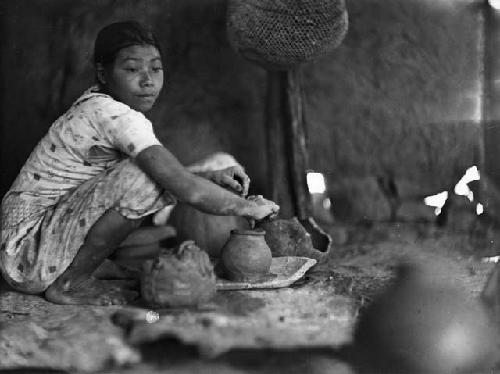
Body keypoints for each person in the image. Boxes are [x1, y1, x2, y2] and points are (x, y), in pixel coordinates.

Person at [0, 21, 279, 306]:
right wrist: (246, 207)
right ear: (103, 73)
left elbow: (166, 177)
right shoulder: (114, 115)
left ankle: (82, 267)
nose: (147, 80)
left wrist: (209, 175)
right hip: (27, 250)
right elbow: (185, 189)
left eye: (156, 68)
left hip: (26, 246)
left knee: (148, 174)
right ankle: (70, 283)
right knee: (142, 177)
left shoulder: (96, 102)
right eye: (132, 69)